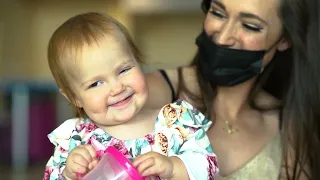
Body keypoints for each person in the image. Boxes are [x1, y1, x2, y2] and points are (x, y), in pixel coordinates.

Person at [144, 0, 320, 179]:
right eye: (218, 13)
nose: (222, 38)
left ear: (285, 39)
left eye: (250, 26)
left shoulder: (289, 128)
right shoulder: (153, 92)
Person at [43, 12, 219, 180]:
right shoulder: (75, 141)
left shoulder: (175, 122)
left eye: (124, 70)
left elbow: (208, 167)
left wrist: (173, 168)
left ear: (138, 63)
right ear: (74, 97)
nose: (117, 88)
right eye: (96, 83)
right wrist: (67, 174)